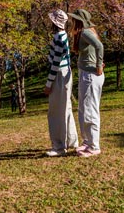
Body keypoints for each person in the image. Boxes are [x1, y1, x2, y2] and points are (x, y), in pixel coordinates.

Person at [43, 9, 78, 157]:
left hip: (59, 74)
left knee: (56, 111)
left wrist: (49, 83)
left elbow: (56, 62)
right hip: (66, 73)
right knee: (66, 108)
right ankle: (72, 141)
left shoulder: (59, 37)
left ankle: (59, 145)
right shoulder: (63, 36)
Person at [70, 8, 104, 158]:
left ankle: (94, 146)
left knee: (90, 110)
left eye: (74, 19)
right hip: (86, 74)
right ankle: (87, 141)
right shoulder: (86, 32)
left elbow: (99, 46)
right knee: (84, 109)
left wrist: (98, 65)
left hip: (91, 75)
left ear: (79, 20)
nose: (72, 21)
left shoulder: (85, 32)